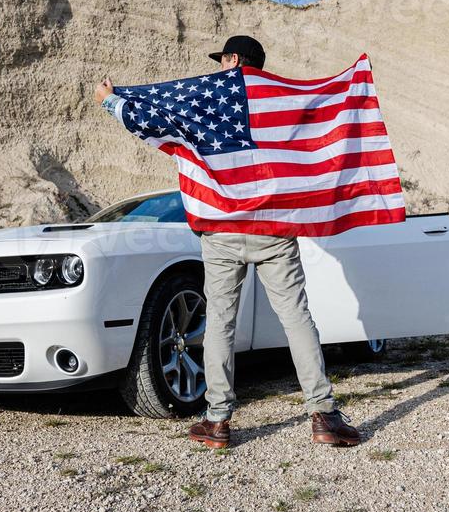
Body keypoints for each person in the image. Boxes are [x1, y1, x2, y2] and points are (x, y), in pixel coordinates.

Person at [93, 35, 362, 449]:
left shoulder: (210, 95)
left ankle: (217, 420)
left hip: (221, 230)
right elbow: (314, 133)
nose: (219, 67)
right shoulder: (280, 97)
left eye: (223, 60)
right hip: (274, 229)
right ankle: (323, 414)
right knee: (297, 318)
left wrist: (112, 101)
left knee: (221, 321)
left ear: (234, 58)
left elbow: (155, 120)